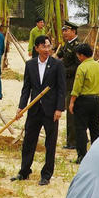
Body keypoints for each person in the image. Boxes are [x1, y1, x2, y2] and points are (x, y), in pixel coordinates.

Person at [13, 35, 66, 185]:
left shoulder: (57, 65)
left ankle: (46, 175)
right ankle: (24, 171)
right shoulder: (30, 65)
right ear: (36, 48)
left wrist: (59, 108)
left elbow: (62, 88)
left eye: (49, 46)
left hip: (51, 110)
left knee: (50, 142)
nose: (47, 50)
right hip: (34, 109)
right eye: (43, 47)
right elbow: (26, 88)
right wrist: (21, 107)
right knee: (29, 140)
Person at [68, 43, 99, 162]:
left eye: (78, 55)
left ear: (82, 55)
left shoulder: (82, 67)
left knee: (81, 128)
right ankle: (98, 153)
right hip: (96, 100)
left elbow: (77, 87)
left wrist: (72, 102)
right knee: (95, 128)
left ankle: (82, 155)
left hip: (84, 100)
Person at [58, 24, 81, 149]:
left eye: (66, 30)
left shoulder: (77, 46)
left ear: (73, 31)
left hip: (72, 83)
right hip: (66, 82)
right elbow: (61, 56)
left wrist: (63, 70)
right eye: (63, 31)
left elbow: (78, 66)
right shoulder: (67, 44)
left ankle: (72, 142)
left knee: (71, 112)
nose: (64, 33)